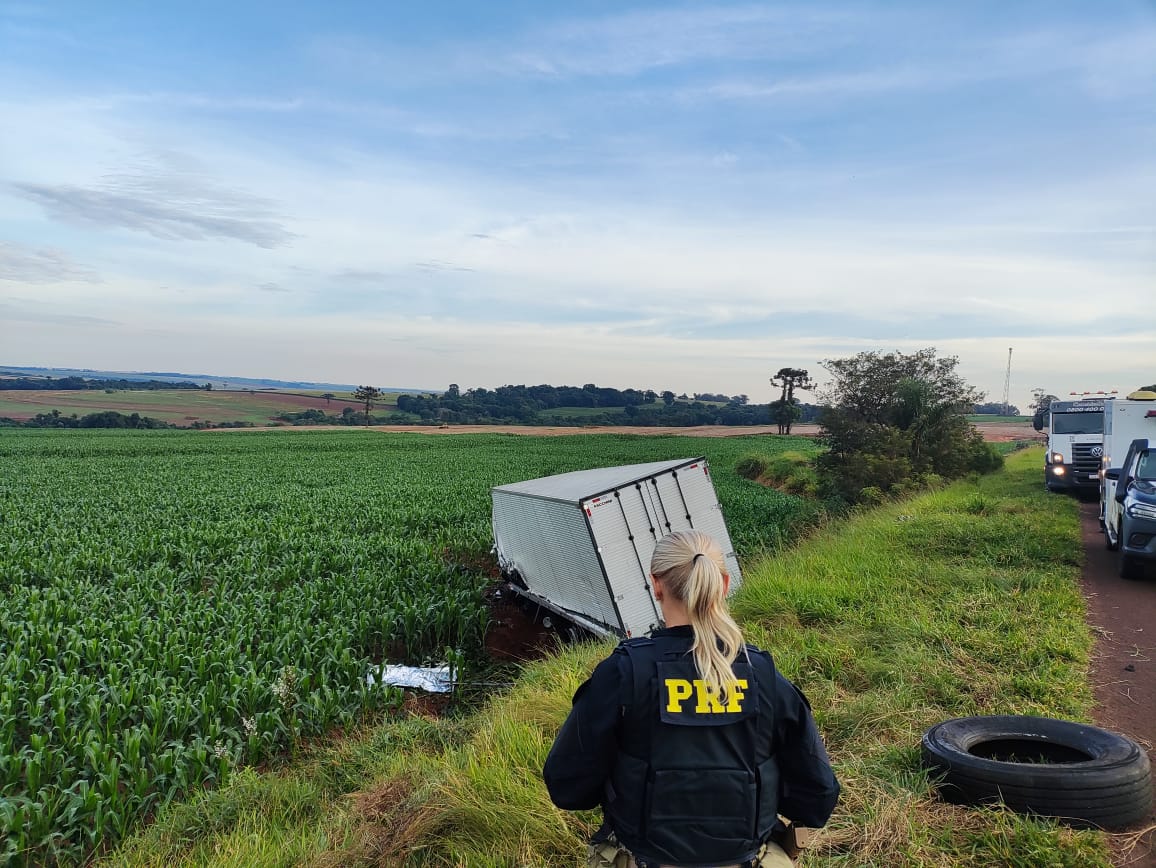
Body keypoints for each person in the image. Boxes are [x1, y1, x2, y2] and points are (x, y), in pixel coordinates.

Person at [543, 530, 839, 867]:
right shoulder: (764, 678)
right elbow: (818, 799)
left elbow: (567, 786)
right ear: (724, 585)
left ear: (656, 585)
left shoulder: (623, 673)